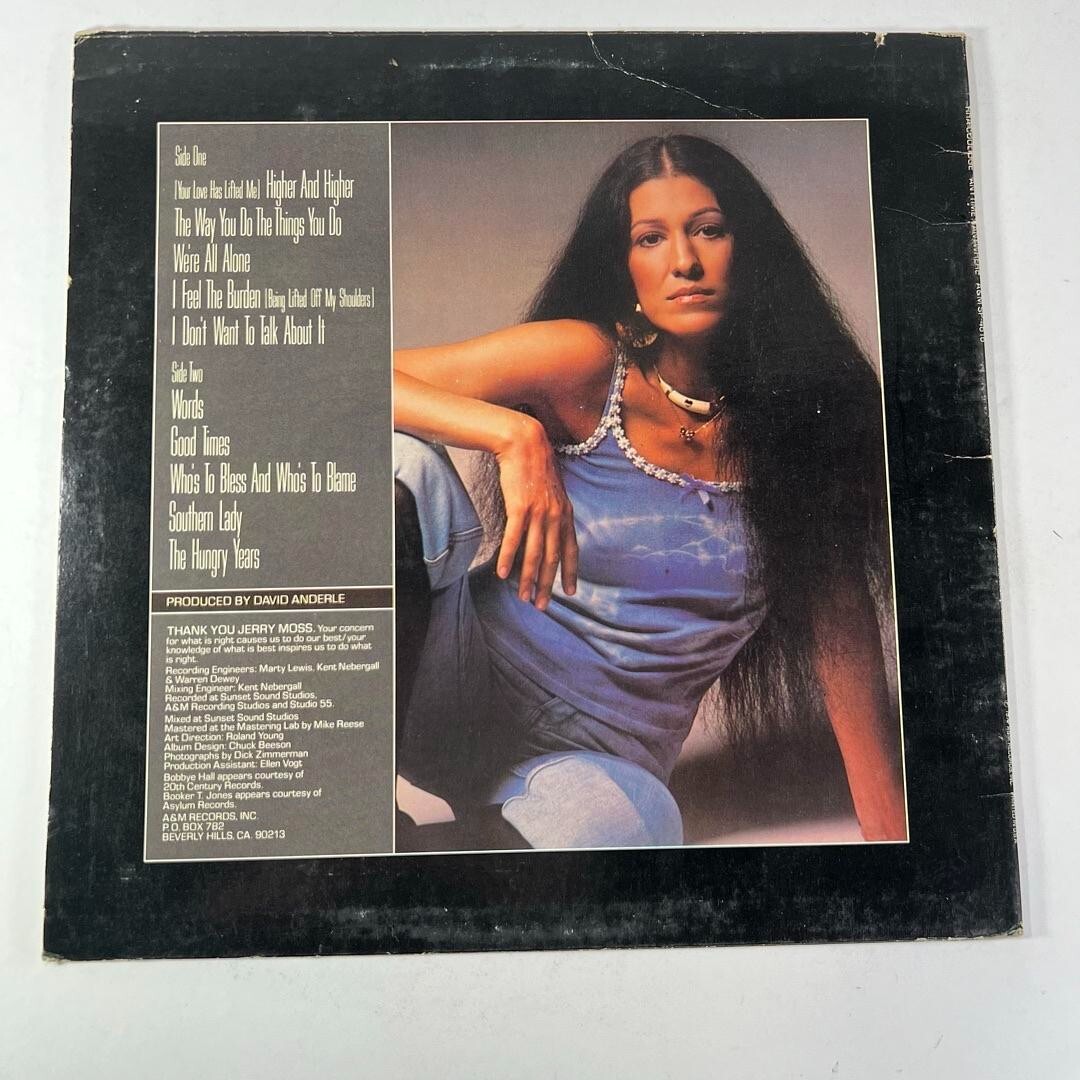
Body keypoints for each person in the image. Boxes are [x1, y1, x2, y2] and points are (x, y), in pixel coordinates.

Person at [392, 133, 907, 851]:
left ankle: (411, 852)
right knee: (405, 461)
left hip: (591, 760)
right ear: (624, 265)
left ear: (750, 248)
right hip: (448, 678)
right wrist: (515, 435)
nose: (684, 261)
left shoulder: (804, 423)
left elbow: (840, 628)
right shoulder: (585, 362)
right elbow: (349, 379)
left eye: (708, 230)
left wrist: (893, 843)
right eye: (651, 238)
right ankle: (342, 778)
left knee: (632, 829)